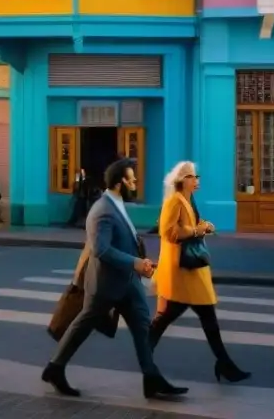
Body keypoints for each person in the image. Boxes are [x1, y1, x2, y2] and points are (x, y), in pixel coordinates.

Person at [42, 160, 186, 401]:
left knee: (142, 327)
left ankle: (151, 378)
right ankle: (55, 368)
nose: (135, 183)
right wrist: (134, 262)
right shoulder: (102, 211)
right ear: (120, 183)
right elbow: (101, 250)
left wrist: (140, 264)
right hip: (106, 284)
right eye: (131, 180)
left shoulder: (117, 204)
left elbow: (124, 240)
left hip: (128, 282)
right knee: (83, 325)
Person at [149, 161, 250, 384]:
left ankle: (224, 364)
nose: (197, 181)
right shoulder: (174, 201)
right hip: (183, 269)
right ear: (182, 180)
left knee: (198, 317)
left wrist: (204, 225)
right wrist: (197, 230)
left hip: (192, 270)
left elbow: (191, 223)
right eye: (193, 177)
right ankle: (145, 355)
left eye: (197, 177)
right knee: (179, 316)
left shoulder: (188, 200)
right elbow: (168, 231)